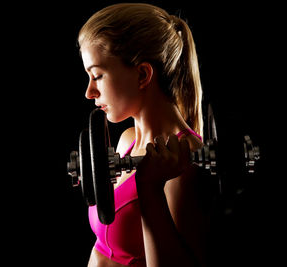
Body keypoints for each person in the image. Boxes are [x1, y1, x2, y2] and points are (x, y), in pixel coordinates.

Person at [78, 3, 211, 266]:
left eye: (98, 75)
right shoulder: (127, 141)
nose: (89, 92)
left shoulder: (186, 161)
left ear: (142, 74)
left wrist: (150, 190)